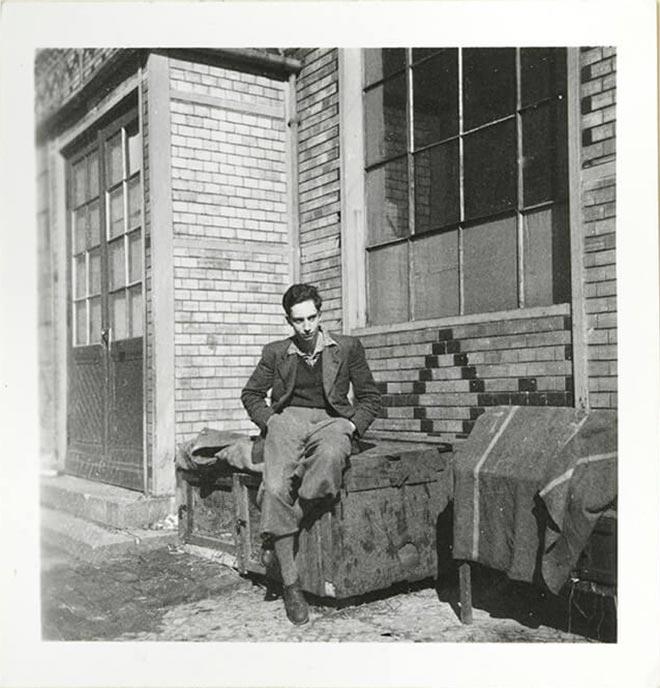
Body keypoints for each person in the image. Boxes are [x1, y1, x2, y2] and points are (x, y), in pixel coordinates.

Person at [241, 283, 382, 624]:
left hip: (332, 421)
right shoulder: (276, 353)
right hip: (288, 422)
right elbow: (251, 395)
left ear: (321, 314)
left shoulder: (347, 347)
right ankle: (291, 586)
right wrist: (271, 422)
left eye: (311, 318)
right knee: (274, 488)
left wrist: (353, 427)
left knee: (331, 457)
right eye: (298, 320)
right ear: (288, 321)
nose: (306, 327)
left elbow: (370, 397)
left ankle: (279, 526)